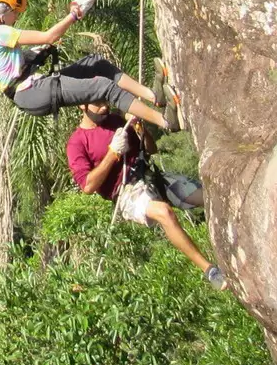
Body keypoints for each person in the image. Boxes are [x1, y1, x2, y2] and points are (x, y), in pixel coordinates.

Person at [0, 0, 173, 128]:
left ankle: (154, 95)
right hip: (32, 91)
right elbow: (49, 36)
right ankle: (165, 122)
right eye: (16, 13)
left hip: (29, 91)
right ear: (4, 10)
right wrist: (75, 15)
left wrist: (25, 57)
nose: (16, 18)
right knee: (105, 87)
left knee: (96, 63)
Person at [68, 104, 227, 289]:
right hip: (126, 193)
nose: (104, 107)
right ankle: (209, 270)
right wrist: (113, 153)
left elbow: (151, 149)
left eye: (105, 101)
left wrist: (139, 128)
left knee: (208, 197)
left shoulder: (116, 121)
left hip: (150, 176)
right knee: (164, 213)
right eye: (98, 103)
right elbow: (87, 186)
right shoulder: (77, 142)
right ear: (82, 105)